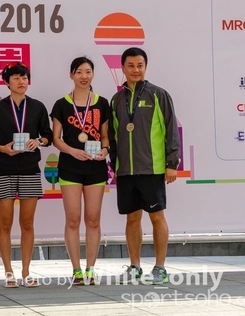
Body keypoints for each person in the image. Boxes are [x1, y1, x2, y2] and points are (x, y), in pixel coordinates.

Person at [108, 47, 180, 285]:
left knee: (157, 217)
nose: (135, 70)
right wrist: (115, 166)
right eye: (130, 65)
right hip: (126, 170)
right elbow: (115, 136)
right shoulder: (116, 100)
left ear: (145, 67)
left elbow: (171, 129)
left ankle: (160, 267)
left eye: (140, 65)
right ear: (123, 68)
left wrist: (171, 163)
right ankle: (135, 266)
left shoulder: (158, 94)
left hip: (152, 168)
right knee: (132, 219)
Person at [0, 62, 52, 288]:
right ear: (6, 82)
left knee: (27, 223)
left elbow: (48, 136)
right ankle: (8, 271)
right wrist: (4, 149)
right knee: (5, 223)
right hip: (4, 170)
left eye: (24, 78)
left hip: (30, 169)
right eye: (16, 78)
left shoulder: (38, 107)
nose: (22, 82)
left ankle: (26, 271)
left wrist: (38, 141)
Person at [50, 57, 111, 286]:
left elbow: (105, 137)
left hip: (95, 167)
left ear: (93, 74)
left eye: (88, 71)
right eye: (79, 72)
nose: (84, 76)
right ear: (71, 75)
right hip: (70, 167)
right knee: (73, 219)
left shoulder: (102, 103)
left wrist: (105, 150)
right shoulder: (61, 104)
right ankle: (76, 270)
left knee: (93, 220)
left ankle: (91, 269)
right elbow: (56, 139)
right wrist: (72, 151)